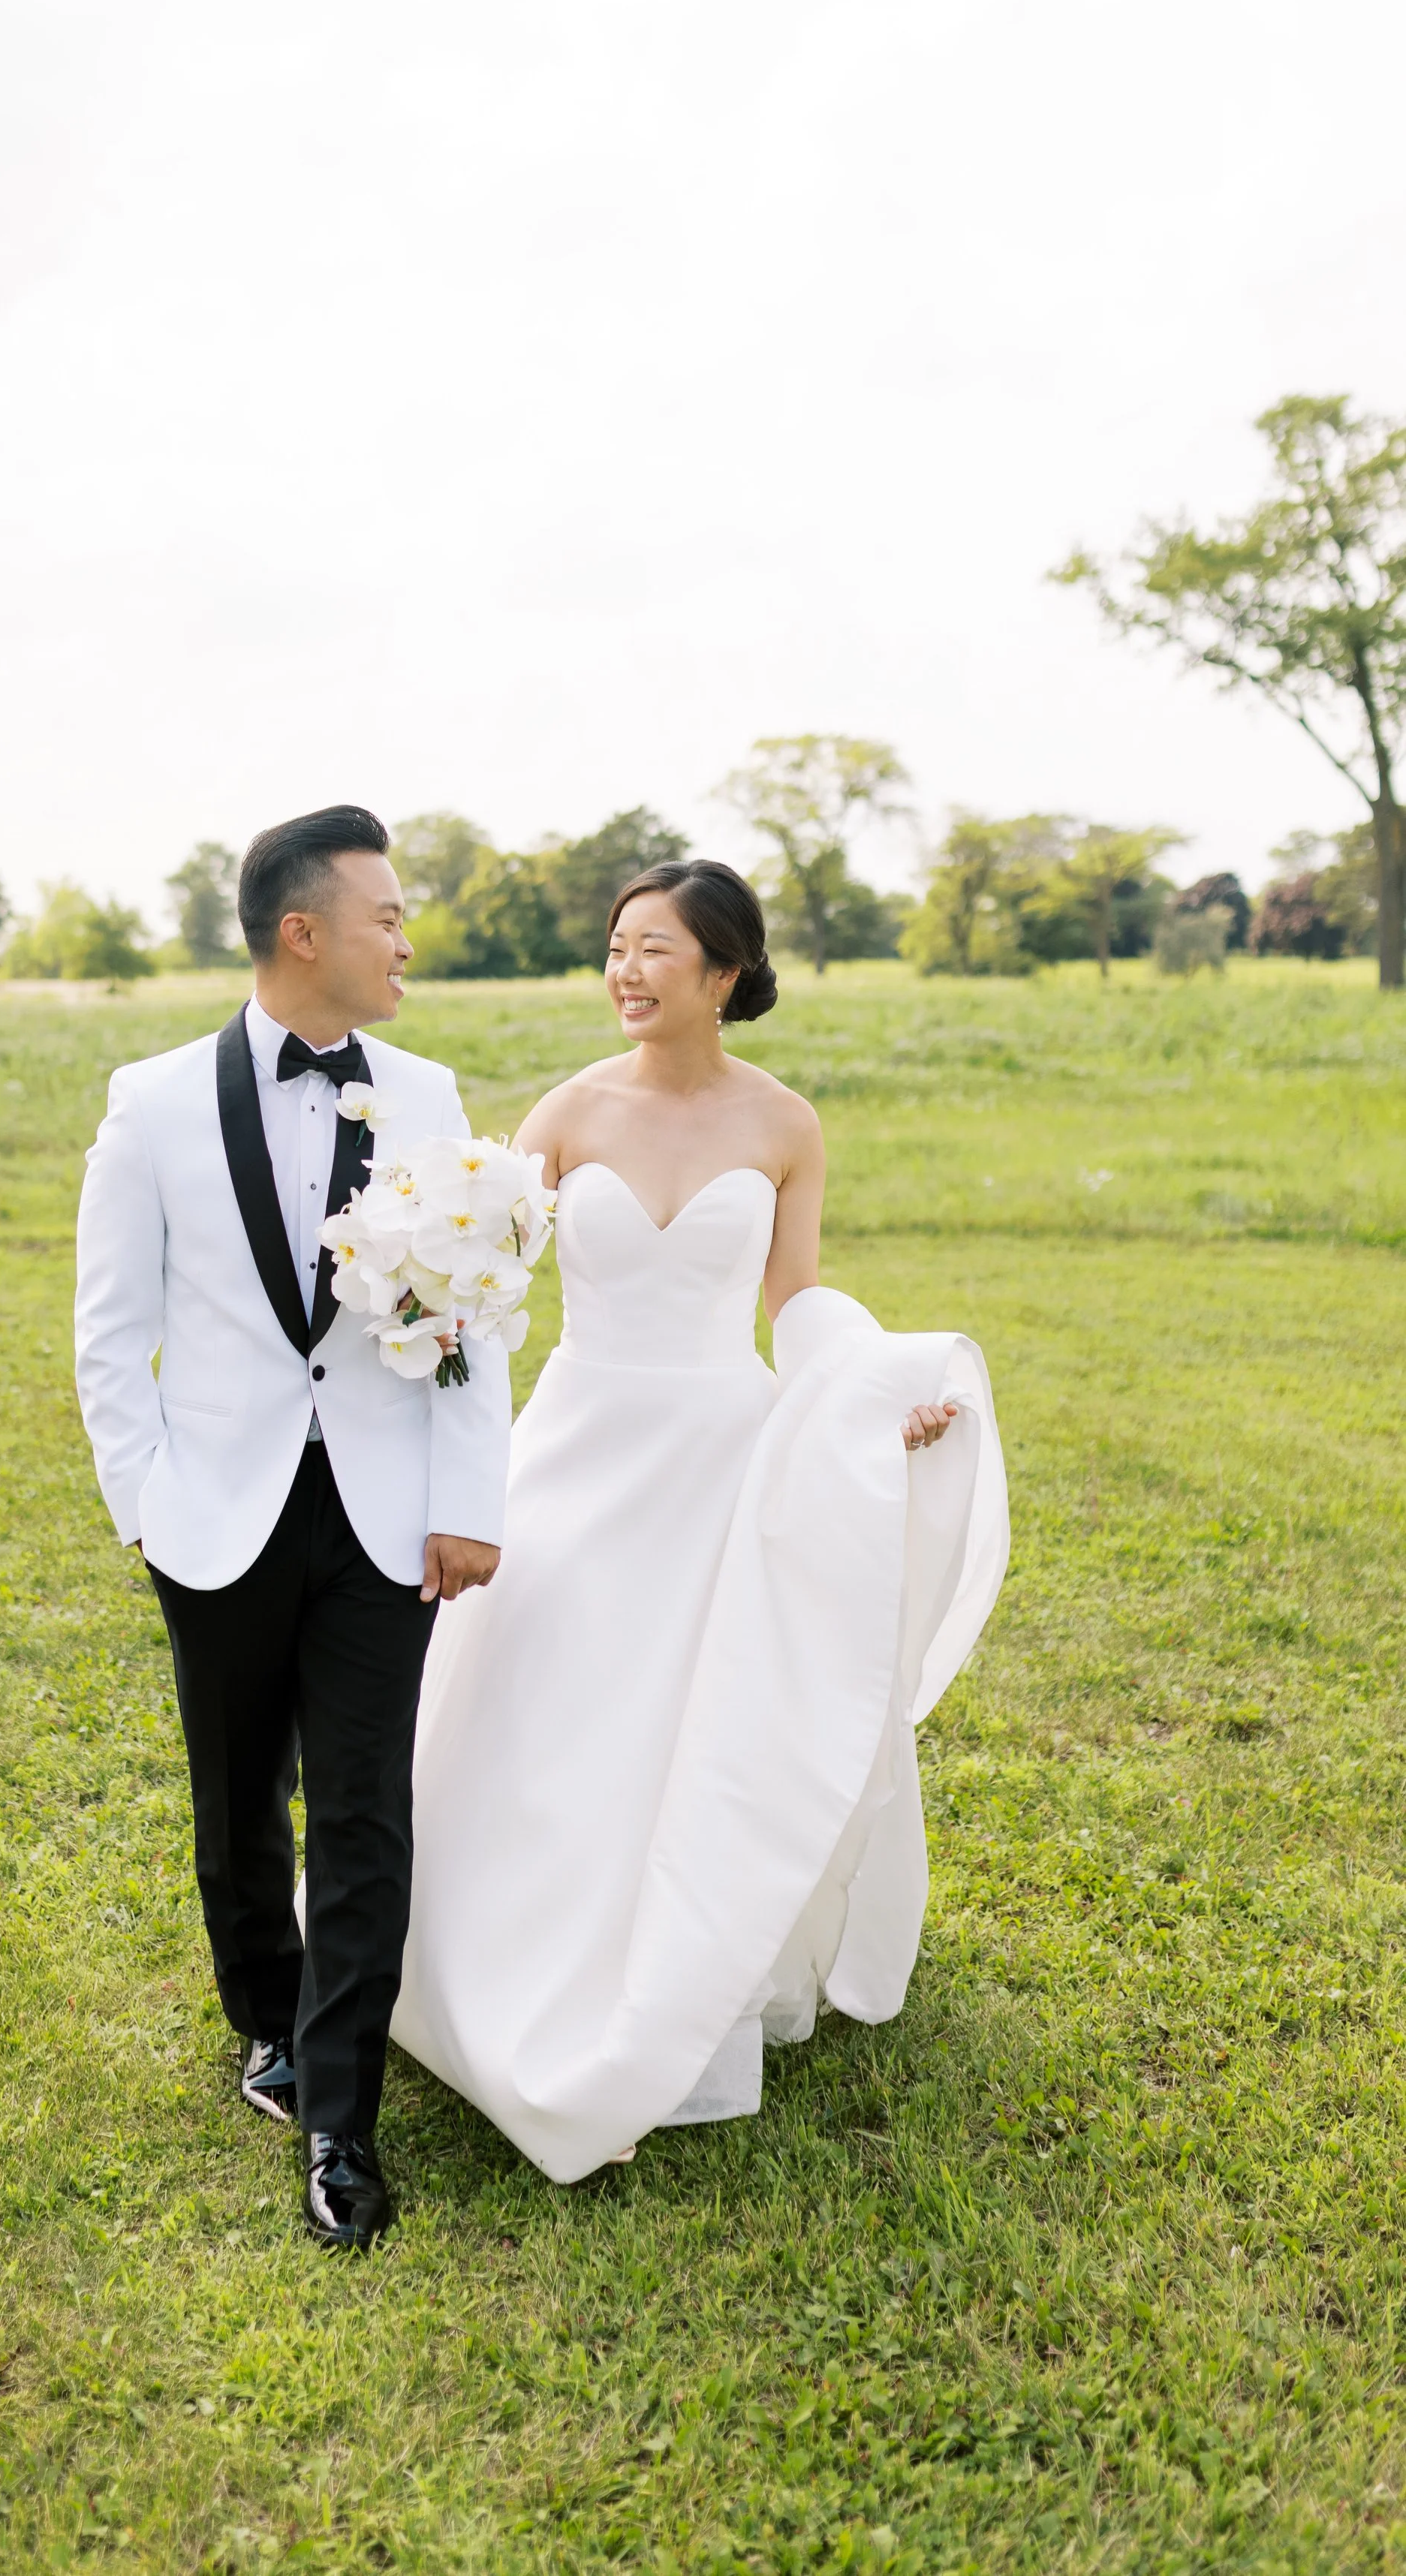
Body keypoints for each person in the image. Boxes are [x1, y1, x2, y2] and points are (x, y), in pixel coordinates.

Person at [391, 859, 1008, 2182]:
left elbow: (795, 1303)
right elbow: (476, 1293)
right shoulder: (564, 1110)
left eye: (655, 949)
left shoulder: (785, 1124)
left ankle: (662, 1986)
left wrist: (867, 1399)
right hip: (578, 1447)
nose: (625, 971)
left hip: (719, 1452)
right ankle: (498, 1976)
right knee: (544, 1706)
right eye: (616, 947)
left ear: (725, 974)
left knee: (685, 1719)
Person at [74, 804, 510, 2249]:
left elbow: (471, 1320)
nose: (407, 939)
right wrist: (144, 1498)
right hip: (215, 1509)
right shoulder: (148, 1103)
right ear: (301, 932)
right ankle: (265, 2023)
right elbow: (110, 1333)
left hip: (387, 1520)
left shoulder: (431, 1096)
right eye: (386, 915)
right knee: (237, 1801)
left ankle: (341, 2120)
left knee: (367, 1809)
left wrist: (466, 1502)